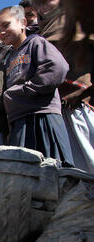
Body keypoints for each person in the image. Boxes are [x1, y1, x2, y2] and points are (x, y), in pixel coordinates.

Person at [0, 5, 74, 167]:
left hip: (42, 116)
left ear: (23, 22)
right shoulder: (10, 58)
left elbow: (57, 68)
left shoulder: (36, 43)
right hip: (19, 122)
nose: (1, 32)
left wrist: (26, 90)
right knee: (25, 173)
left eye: (6, 25)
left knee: (53, 168)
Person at [30, 0, 93, 173]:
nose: (42, 7)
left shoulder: (79, 20)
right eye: (37, 4)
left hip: (82, 107)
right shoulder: (37, 36)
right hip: (56, 114)